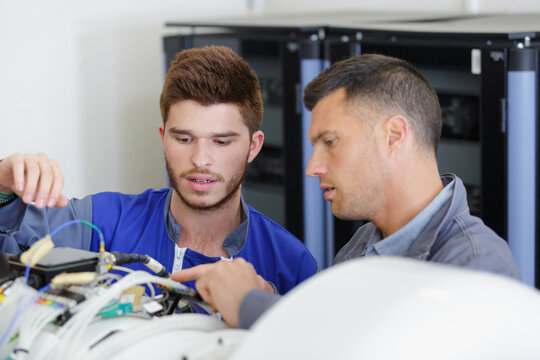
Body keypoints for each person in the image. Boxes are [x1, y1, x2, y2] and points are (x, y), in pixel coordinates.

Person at [172, 53, 521, 328]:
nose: (313, 167)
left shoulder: (478, 266)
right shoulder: (363, 247)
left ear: (394, 136)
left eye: (330, 142)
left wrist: (252, 307)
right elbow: (336, 333)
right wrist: (270, 301)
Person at [0, 46, 317, 294]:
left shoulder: (291, 264)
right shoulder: (104, 222)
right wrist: (3, 184)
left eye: (221, 141)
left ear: (253, 146)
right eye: (184, 138)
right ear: (164, 139)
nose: (200, 159)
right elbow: (11, 244)